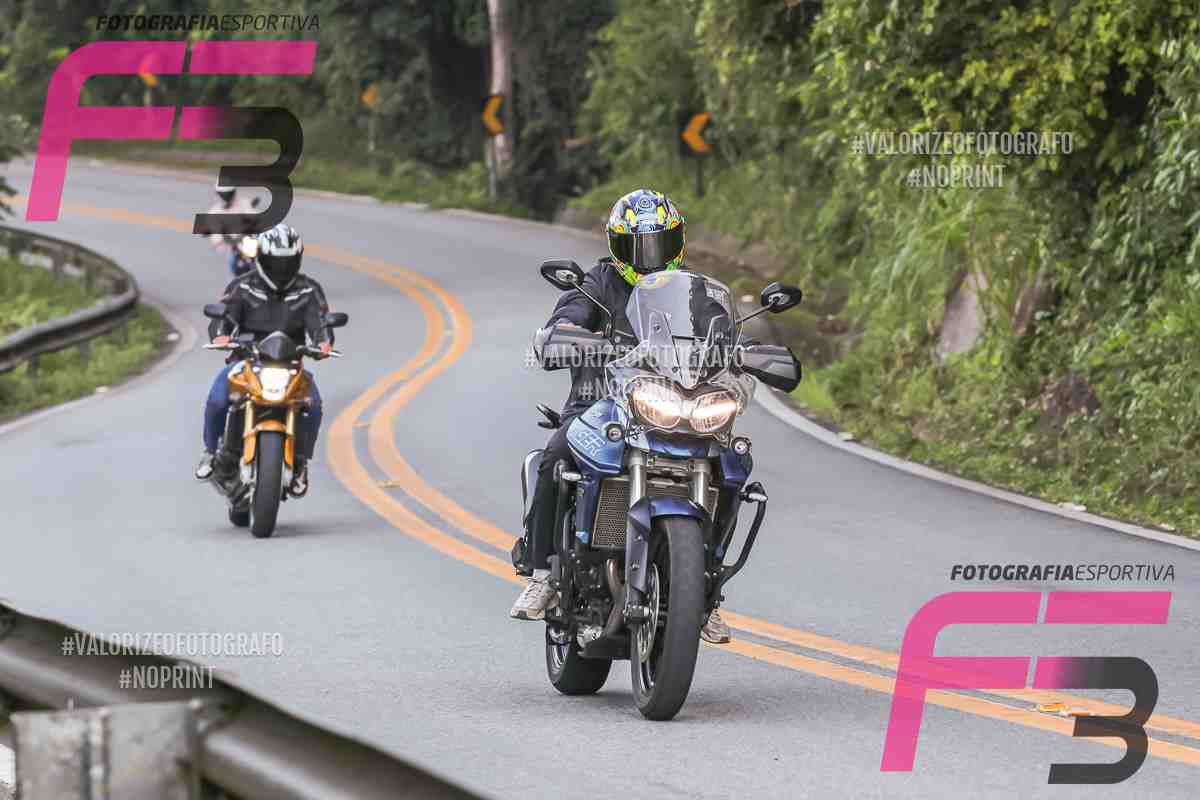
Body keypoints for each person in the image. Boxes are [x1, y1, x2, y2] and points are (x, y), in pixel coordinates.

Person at [509, 188, 731, 645]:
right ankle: (543, 574)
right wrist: (565, 332)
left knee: (730, 467)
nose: (650, 257)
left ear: (677, 243)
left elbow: (722, 333)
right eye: (637, 246)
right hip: (600, 402)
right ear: (617, 246)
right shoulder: (599, 282)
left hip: (677, 404)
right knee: (557, 453)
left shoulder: (694, 292)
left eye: (660, 244)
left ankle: (704, 592)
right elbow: (569, 314)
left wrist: (745, 351)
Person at [194, 223, 332, 496]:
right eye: (276, 261)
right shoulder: (243, 286)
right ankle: (210, 453)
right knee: (218, 399)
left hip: (291, 364)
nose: (282, 268)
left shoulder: (308, 289)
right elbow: (224, 315)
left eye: (288, 262)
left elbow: (321, 322)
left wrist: (324, 343)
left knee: (314, 405)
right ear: (262, 258)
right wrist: (221, 336)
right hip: (246, 360)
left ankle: (301, 463)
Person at [207, 183, 258, 276]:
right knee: (234, 259)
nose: (227, 197)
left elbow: (253, 214)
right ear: (217, 194)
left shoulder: (243, 203)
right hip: (228, 245)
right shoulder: (214, 212)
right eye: (224, 194)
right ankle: (237, 280)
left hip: (247, 239)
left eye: (229, 193)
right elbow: (214, 232)